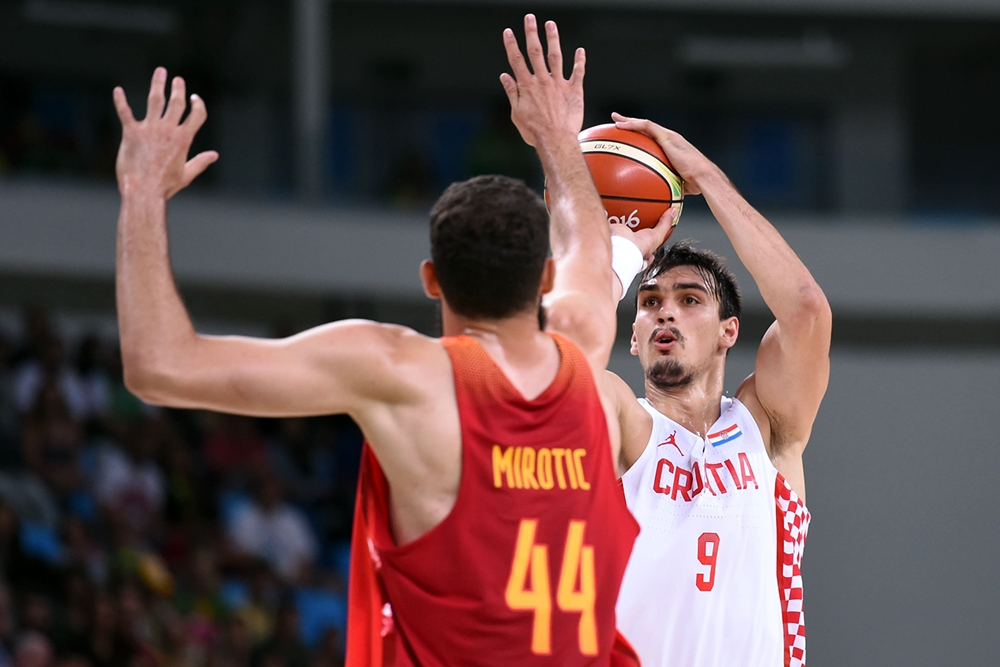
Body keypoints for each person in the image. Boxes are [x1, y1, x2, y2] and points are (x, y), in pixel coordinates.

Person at [111, 15, 649, 667]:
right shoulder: (584, 340)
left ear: (430, 279)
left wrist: (141, 195)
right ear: (543, 278)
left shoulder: (404, 372)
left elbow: (158, 366)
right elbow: (586, 241)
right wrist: (558, 137)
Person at [603, 113, 832, 667]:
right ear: (633, 337)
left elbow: (805, 310)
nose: (666, 313)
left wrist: (706, 177)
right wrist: (620, 253)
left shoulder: (767, 426)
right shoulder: (621, 422)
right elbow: (551, 360)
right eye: (650, 301)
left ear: (730, 331)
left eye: (690, 299)